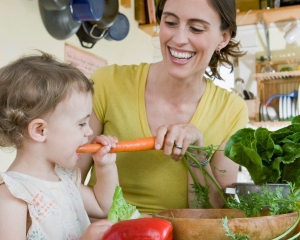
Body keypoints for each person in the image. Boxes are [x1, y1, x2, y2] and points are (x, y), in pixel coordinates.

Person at [79, 0, 249, 215]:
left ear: (223, 38)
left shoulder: (231, 110)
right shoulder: (107, 83)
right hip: (106, 232)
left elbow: (212, 213)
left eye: (196, 28)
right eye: (170, 22)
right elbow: (66, 181)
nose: (178, 39)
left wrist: (197, 155)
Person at [0, 52, 119, 239]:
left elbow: (104, 208)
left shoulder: (65, 178)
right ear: (40, 131)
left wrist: (106, 166)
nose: (89, 131)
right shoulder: (13, 195)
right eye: (81, 123)